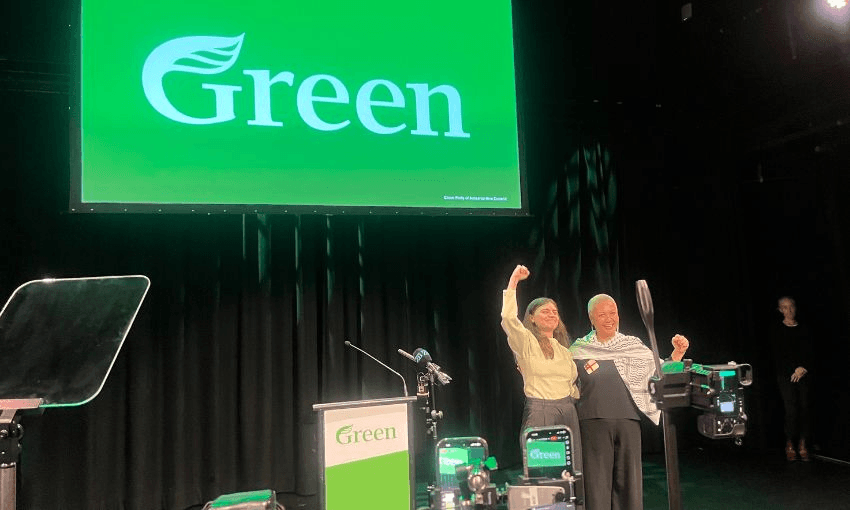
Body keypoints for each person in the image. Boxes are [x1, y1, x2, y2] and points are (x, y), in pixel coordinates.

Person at [569, 294, 688, 510]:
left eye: (613, 313)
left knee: (629, 484)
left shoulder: (632, 346)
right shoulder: (578, 350)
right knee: (595, 484)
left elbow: (659, 373)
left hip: (628, 422)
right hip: (592, 423)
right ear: (591, 318)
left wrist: (677, 353)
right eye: (602, 314)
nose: (609, 319)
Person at [500, 264, 583, 475]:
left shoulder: (564, 350)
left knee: (570, 473)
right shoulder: (526, 342)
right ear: (532, 318)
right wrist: (514, 281)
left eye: (555, 312)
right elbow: (508, 318)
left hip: (568, 412)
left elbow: (572, 383)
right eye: (545, 311)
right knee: (545, 472)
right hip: (541, 412)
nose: (551, 315)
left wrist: (571, 400)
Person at [771, 296, 813, 462]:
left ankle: (803, 444)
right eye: (785, 307)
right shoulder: (777, 330)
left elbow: (810, 351)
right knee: (791, 410)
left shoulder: (805, 329)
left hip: (804, 374)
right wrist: (793, 370)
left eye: (791, 307)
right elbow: (779, 354)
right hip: (785, 375)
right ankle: (789, 443)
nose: (789, 310)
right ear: (780, 310)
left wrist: (803, 368)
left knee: (805, 408)